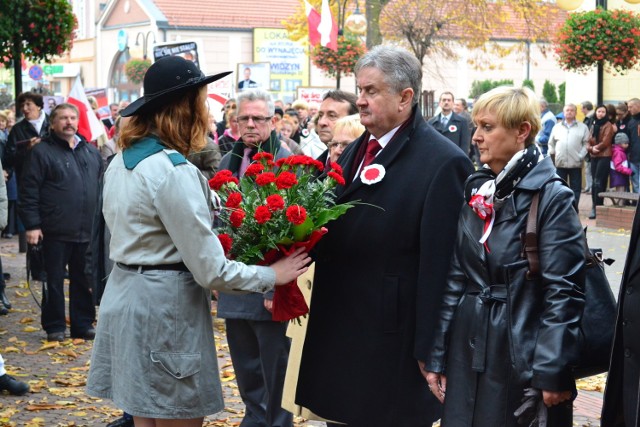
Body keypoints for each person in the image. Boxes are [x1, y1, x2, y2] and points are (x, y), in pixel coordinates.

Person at [85, 56, 309, 427]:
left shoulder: (122, 161)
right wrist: (273, 275)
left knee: (146, 416)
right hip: (165, 309)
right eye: (202, 101)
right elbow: (210, 270)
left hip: (127, 297)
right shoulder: (173, 170)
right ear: (185, 108)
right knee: (177, 416)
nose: (207, 111)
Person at [296, 45, 474, 426]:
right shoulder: (356, 148)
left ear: (405, 97)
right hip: (340, 322)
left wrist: (432, 345)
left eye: (371, 91)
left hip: (391, 333)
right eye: (359, 90)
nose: (359, 101)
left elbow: (440, 263)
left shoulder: (443, 161)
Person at [425, 86, 585, 427]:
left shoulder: (552, 197)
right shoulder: (480, 189)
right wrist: (438, 356)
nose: (477, 137)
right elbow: (457, 278)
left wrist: (552, 368)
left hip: (521, 355)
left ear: (522, 131)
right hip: (468, 353)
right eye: (476, 126)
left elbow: (564, 290)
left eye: (487, 127)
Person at [216, 88, 295, 427]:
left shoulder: (290, 163)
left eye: (257, 118)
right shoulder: (226, 161)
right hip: (236, 286)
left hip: (273, 290)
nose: (250, 125)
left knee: (276, 382)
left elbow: (297, 235)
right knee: (248, 377)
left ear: (272, 121)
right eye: (243, 119)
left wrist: (274, 288)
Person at [19, 103, 103, 342]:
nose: (69, 122)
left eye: (72, 117)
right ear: (53, 123)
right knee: (53, 281)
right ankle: (55, 326)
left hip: (86, 230)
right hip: (53, 230)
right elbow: (29, 191)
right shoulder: (41, 152)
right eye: (63, 118)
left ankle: (83, 324)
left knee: (84, 280)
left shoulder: (90, 151)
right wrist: (32, 225)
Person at [548, 103, 590, 210]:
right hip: (560, 163)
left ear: (576, 112)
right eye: (567, 110)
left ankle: (573, 209)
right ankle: (561, 209)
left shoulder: (583, 127)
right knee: (560, 188)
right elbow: (551, 143)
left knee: (575, 188)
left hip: (575, 163)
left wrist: (580, 156)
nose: (569, 112)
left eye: (572, 110)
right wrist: (553, 155)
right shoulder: (557, 127)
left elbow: (587, 144)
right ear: (564, 112)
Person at [587, 104, 614, 219]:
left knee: (599, 182)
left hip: (604, 156)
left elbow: (606, 142)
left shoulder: (608, 125)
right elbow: (588, 139)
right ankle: (595, 206)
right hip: (594, 156)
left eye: (603, 112)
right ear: (596, 113)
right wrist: (590, 148)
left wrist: (594, 148)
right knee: (594, 182)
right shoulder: (593, 124)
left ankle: (598, 206)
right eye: (599, 111)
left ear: (606, 113)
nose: (601, 114)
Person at [428, 91, 471, 156]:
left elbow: (464, 145)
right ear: (440, 103)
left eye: (449, 100)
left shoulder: (462, 122)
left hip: (454, 159)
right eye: (444, 100)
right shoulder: (431, 122)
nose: (446, 102)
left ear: (453, 103)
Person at [610, 132, 632, 205]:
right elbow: (618, 166)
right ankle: (620, 208)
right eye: (625, 143)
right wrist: (629, 171)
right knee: (621, 194)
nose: (627, 145)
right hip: (619, 177)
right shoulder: (618, 152)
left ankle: (620, 207)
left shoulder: (620, 151)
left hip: (620, 177)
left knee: (621, 194)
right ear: (620, 143)